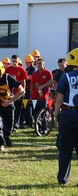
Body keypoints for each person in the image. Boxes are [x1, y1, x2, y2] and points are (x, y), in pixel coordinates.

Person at [0, 60, 25, 151]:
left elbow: (22, 91)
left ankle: (7, 137)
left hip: (8, 105)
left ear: (1, 70)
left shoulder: (9, 78)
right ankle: (0, 143)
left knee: (9, 126)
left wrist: (10, 101)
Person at [54, 48, 78, 185]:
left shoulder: (65, 77)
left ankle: (63, 179)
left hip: (68, 115)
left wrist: (56, 116)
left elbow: (59, 100)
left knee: (64, 149)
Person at [5, 55, 28, 129]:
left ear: (18, 61)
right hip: (10, 93)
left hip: (18, 93)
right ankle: (9, 124)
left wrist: (23, 91)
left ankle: (15, 125)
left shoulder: (21, 70)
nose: (14, 63)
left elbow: (23, 81)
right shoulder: (8, 69)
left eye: (16, 61)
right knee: (10, 109)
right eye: (13, 61)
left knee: (18, 110)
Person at [21, 54, 37, 128]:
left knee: (28, 107)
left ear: (32, 62)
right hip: (26, 90)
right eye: (26, 62)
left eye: (28, 62)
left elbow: (30, 77)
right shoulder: (27, 69)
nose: (27, 64)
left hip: (30, 91)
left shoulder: (33, 69)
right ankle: (27, 122)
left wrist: (23, 77)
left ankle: (29, 123)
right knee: (25, 107)